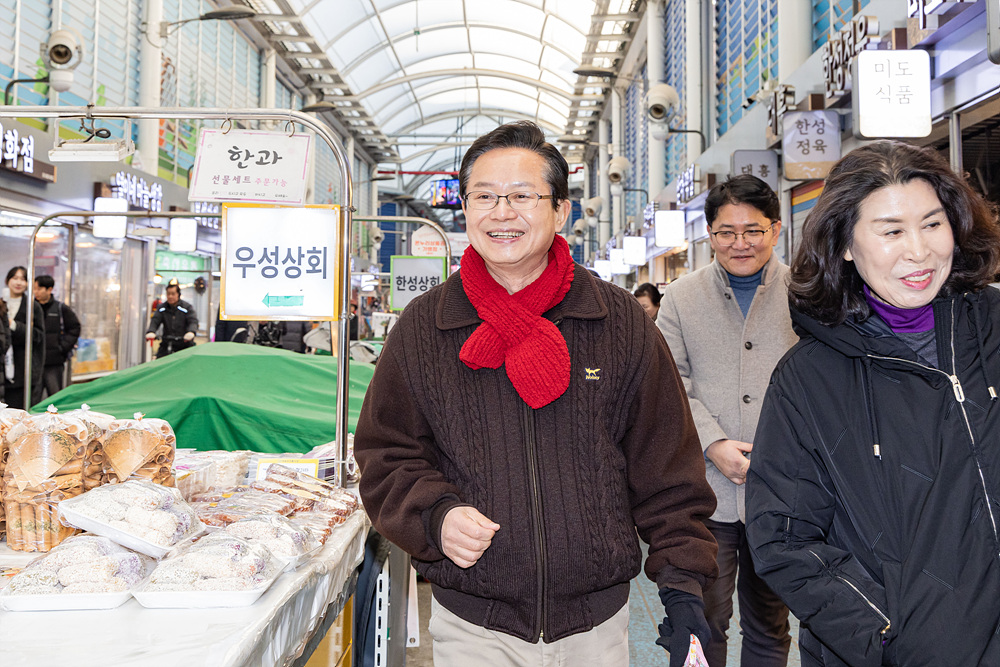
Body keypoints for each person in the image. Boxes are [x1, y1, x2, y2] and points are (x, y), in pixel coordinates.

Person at [354, 121, 718, 667]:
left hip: (595, 627)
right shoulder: (426, 327)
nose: (503, 212)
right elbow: (386, 456)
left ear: (560, 210)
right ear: (466, 207)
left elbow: (667, 464)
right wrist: (436, 516)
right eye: (484, 196)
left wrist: (683, 586)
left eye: (523, 196)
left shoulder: (616, 321)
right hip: (474, 622)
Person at [746, 140, 1000, 666]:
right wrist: (887, 634)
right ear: (844, 243)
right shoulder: (808, 380)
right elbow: (785, 539)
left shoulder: (994, 328)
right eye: (891, 231)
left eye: (933, 224)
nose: (919, 250)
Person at [656, 175, 796, 667]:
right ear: (709, 235)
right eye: (726, 232)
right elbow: (669, 384)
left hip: (784, 492)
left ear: (775, 230)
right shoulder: (681, 298)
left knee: (770, 622)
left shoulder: (805, 293)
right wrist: (714, 443)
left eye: (753, 231)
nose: (740, 243)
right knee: (704, 622)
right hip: (706, 492)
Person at [32, 274, 81, 402]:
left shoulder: (60, 308)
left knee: (55, 398)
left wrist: (62, 348)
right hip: (34, 363)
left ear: (49, 289)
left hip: (54, 362)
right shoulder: (30, 308)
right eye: (34, 288)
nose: (35, 292)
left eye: (39, 289)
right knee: (32, 399)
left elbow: (75, 327)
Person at [4, 266, 45, 410]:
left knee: (18, 412)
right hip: (2, 370)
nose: (18, 282)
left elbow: (38, 336)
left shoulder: (33, 307)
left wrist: (13, 325)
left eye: (23, 279)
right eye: (15, 278)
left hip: (22, 371)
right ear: (7, 280)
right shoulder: (2, 303)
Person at [145, 282, 198, 358]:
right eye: (168, 294)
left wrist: (191, 332)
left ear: (178, 295)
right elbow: (155, 320)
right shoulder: (162, 308)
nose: (170, 296)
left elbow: (193, 321)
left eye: (173, 294)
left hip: (184, 344)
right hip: (166, 343)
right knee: (160, 362)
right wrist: (151, 331)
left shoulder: (187, 308)